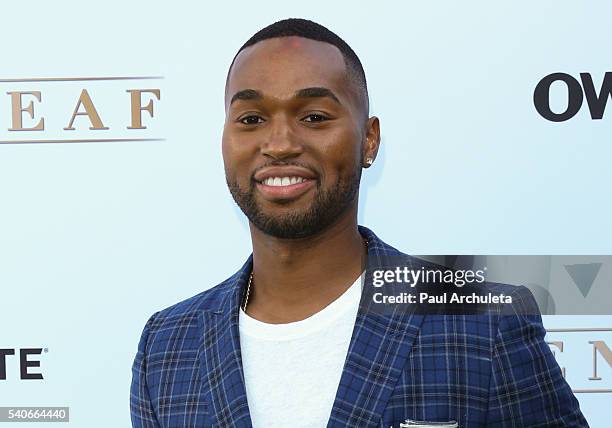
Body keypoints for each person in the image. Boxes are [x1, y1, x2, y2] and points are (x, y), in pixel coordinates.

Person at [130, 18, 589, 427]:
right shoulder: (168, 345)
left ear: (369, 140)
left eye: (314, 116)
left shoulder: (480, 317)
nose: (280, 143)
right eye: (251, 118)